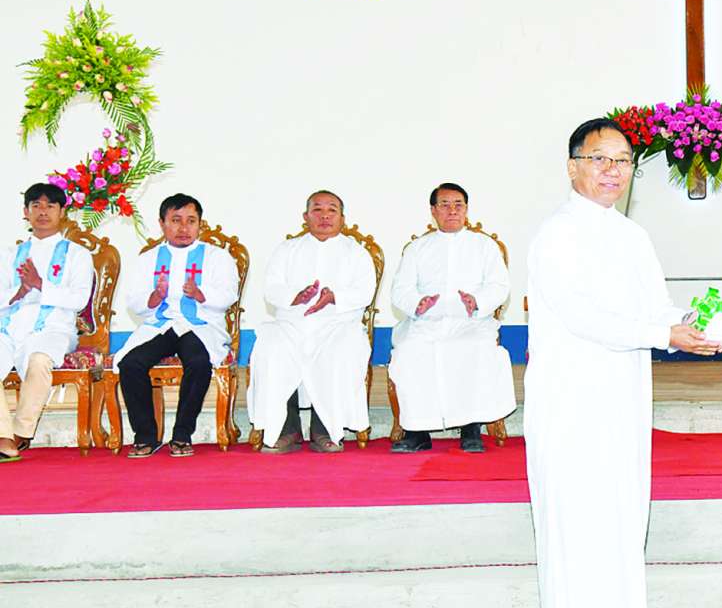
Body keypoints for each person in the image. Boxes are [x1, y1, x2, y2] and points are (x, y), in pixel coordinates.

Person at [525, 118, 721, 608]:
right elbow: (582, 316)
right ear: (573, 166)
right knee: (570, 522)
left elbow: (657, 308)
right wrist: (666, 333)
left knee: (618, 517)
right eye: (600, 158)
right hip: (568, 401)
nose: (613, 171)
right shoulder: (556, 235)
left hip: (622, 400)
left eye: (623, 161)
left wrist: (707, 323)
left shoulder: (633, 236)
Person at [388, 182, 516, 454]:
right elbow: (400, 290)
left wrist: (477, 301)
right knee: (410, 351)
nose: (452, 210)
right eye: (444, 205)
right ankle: (417, 432)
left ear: (466, 210)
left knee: (475, 350)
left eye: (458, 205)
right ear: (433, 211)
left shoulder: (484, 246)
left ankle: (471, 429)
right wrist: (418, 304)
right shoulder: (417, 248)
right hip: (426, 323)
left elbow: (499, 286)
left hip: (471, 323)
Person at [248, 191, 376, 454]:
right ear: (305, 216)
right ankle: (287, 429)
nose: (325, 215)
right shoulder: (287, 250)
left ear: (342, 218)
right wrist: (296, 296)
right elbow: (271, 288)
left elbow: (365, 292)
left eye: (332, 210)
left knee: (339, 350)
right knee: (271, 348)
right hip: (292, 322)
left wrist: (334, 297)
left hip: (338, 323)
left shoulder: (357, 252)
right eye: (317, 209)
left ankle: (325, 429)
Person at [116, 193, 238, 459]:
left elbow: (229, 295)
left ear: (200, 224)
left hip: (201, 325)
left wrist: (200, 294)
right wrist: (155, 297)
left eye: (191, 221)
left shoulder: (218, 257)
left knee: (199, 362)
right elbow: (134, 302)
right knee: (130, 364)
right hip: (160, 325)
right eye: (176, 220)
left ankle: (182, 434)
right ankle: (145, 436)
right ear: (162, 223)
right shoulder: (148, 259)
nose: (184, 228)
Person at [0, 183, 93, 460]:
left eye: (50, 206)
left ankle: (21, 432)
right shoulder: (9, 255)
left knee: (39, 361)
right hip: (10, 327)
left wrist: (41, 284)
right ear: (25, 212)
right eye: (36, 206)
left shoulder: (77, 254)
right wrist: (19, 292)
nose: (43, 212)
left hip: (54, 328)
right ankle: (3, 435)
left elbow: (79, 299)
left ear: (62, 212)